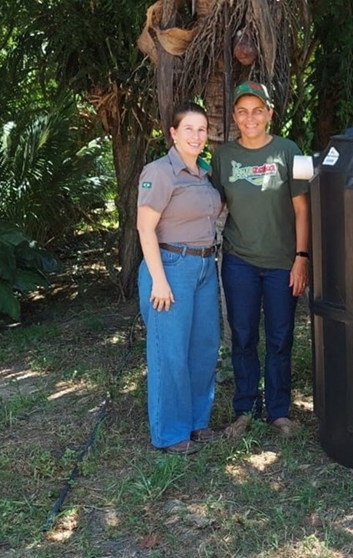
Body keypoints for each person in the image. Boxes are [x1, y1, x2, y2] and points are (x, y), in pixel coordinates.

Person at [211, 81, 310, 439]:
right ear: (235, 116)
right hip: (239, 261)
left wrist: (302, 257)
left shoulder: (289, 151)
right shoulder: (224, 156)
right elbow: (214, 205)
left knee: (281, 337)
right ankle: (245, 409)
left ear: (269, 113)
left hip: (283, 261)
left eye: (257, 110)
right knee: (243, 335)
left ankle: (279, 411)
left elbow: (303, 210)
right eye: (242, 110)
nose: (249, 117)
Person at [137, 101, 223, 454]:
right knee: (170, 352)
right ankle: (172, 434)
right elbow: (145, 228)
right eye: (188, 128)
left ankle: (196, 424)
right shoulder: (159, 172)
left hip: (205, 268)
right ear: (173, 133)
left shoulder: (203, 173)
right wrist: (158, 279)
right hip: (171, 267)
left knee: (203, 348)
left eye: (201, 129)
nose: (196, 135)